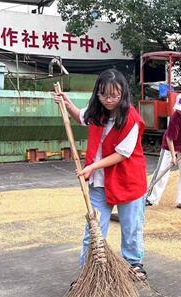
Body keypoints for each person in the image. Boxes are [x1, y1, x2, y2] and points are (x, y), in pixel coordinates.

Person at [54, 69, 148, 279]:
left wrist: (93, 167)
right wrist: (67, 104)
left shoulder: (131, 117)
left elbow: (122, 154)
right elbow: (81, 117)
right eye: (104, 95)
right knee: (94, 230)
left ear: (123, 94)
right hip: (99, 184)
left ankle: (133, 264)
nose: (109, 100)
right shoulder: (96, 111)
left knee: (131, 226)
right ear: (98, 93)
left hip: (127, 180)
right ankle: (88, 272)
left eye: (114, 95)